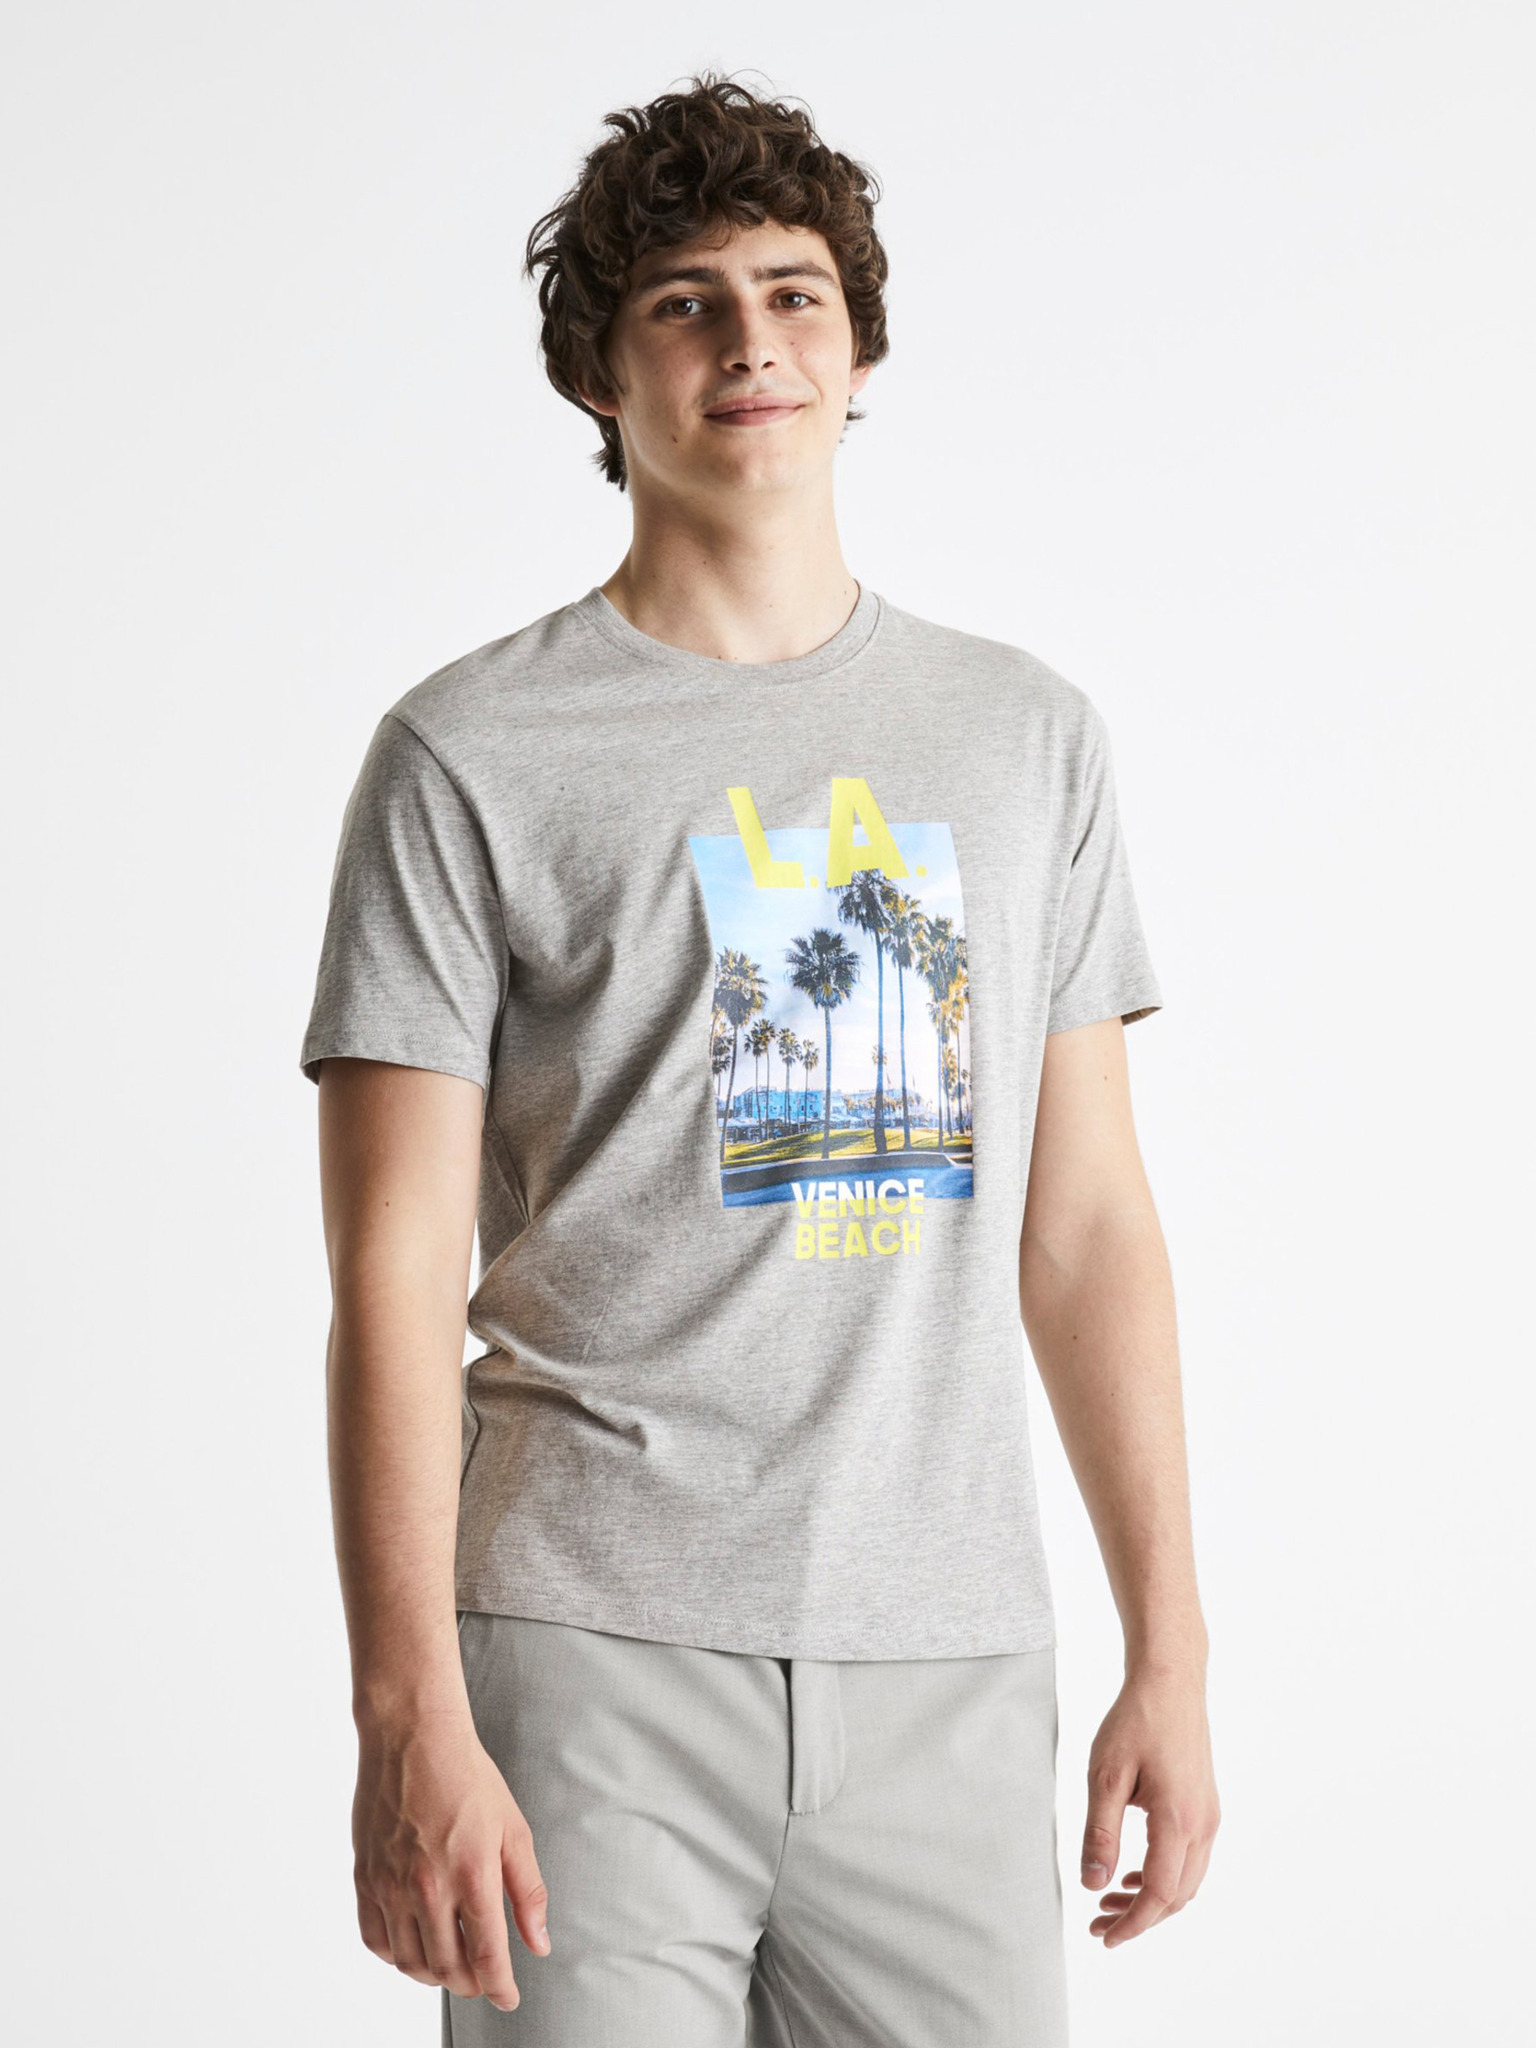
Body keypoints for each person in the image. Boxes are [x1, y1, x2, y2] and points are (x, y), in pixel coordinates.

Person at [299, 71, 1219, 2048]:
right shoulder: (469, 754)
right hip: (588, 1649)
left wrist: (1173, 1646)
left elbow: (1086, 1228)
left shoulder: (1024, 739)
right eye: (685, 303)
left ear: (859, 350)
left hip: (948, 1657)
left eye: (795, 295)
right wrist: (407, 1710)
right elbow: (390, 1268)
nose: (750, 342)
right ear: (598, 375)